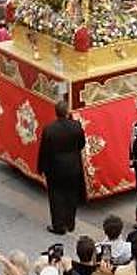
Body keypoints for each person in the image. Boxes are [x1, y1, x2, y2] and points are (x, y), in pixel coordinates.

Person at [37, 99, 87, 235]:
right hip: (73, 167)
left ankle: (58, 226)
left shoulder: (49, 129)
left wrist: (40, 168)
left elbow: (44, 151)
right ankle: (70, 223)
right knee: (71, 195)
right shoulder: (76, 126)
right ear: (67, 112)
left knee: (56, 197)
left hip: (55, 169)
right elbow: (82, 144)